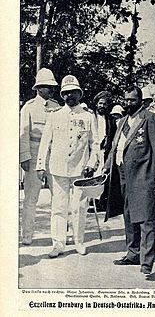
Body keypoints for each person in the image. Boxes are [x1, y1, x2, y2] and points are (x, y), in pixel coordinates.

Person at [103, 86, 155, 278]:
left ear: (141, 101)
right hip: (123, 174)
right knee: (129, 215)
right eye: (126, 100)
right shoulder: (123, 121)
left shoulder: (151, 118)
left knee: (146, 218)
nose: (128, 103)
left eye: (132, 100)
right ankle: (133, 254)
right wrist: (106, 167)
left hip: (144, 174)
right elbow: (115, 147)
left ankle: (147, 262)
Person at [36, 75, 99, 258]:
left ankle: (79, 241)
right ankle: (58, 243)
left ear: (79, 94)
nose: (69, 96)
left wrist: (91, 163)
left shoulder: (88, 116)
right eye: (65, 93)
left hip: (80, 168)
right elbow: (45, 142)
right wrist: (41, 165)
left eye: (73, 92)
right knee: (58, 206)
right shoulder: (55, 116)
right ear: (62, 96)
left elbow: (95, 144)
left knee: (79, 206)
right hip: (58, 168)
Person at [20, 68, 60, 245]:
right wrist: (24, 157)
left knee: (58, 196)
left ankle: (58, 235)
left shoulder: (56, 107)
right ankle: (27, 235)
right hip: (34, 154)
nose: (51, 90)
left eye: (52, 86)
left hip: (53, 155)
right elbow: (23, 133)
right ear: (38, 88)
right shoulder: (28, 107)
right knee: (31, 197)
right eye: (47, 86)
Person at [87, 91, 117, 213]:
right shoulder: (90, 116)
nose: (102, 106)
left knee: (103, 175)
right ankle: (91, 200)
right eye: (100, 103)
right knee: (92, 174)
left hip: (104, 151)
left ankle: (101, 202)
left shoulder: (110, 119)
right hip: (92, 150)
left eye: (104, 104)